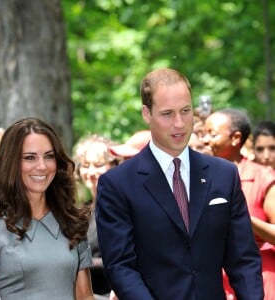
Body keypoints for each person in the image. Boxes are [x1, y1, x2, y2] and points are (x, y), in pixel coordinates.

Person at [95, 67, 263, 299]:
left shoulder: (223, 174)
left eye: (186, 111)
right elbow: (120, 267)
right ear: (146, 113)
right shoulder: (117, 184)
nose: (179, 123)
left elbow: (243, 259)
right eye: (167, 114)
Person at [0, 118, 95, 300]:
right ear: (11, 163)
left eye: (49, 156)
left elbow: (85, 296)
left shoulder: (72, 222)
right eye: (30, 157)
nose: (42, 166)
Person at [203, 108, 275, 300]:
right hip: (215, 280)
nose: (204, 140)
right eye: (203, 134)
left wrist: (241, 218)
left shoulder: (262, 176)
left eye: (212, 134)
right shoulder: (201, 176)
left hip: (259, 278)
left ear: (235, 138)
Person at [73, 134, 123, 298]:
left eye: (99, 165)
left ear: (114, 166)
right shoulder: (80, 211)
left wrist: (79, 263)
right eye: (86, 165)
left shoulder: (124, 208)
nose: (91, 172)